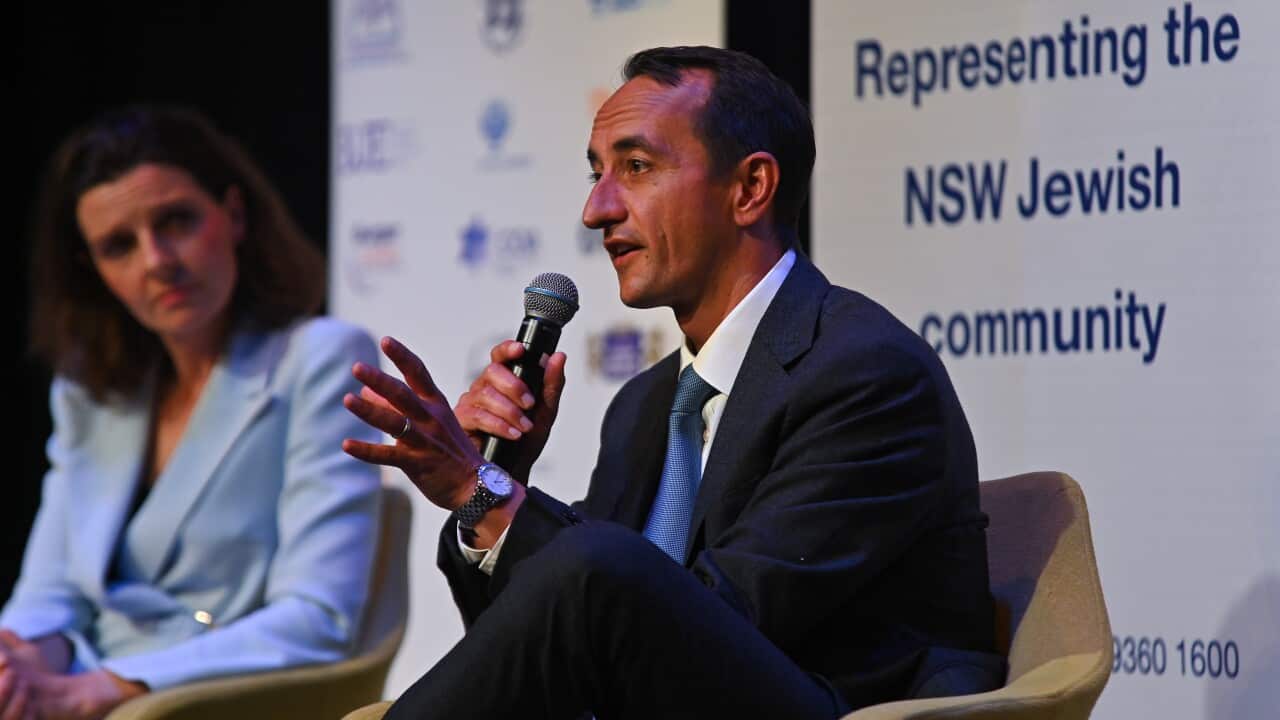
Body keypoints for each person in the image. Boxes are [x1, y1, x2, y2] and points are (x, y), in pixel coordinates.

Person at [343, 46, 1003, 718]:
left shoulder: (866, 373)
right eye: (596, 173)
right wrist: (496, 482)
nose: (596, 209)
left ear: (750, 189)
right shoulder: (644, 405)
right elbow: (541, 648)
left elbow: (720, 619)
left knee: (599, 558)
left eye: (636, 167)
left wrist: (483, 491)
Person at [0, 106, 382, 719]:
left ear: (233, 215)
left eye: (175, 221)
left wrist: (108, 689)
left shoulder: (320, 357)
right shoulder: (87, 390)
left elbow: (319, 618)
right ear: (93, 271)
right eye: (119, 245)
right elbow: (50, 592)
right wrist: (18, 667)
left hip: (203, 702)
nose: (156, 260)